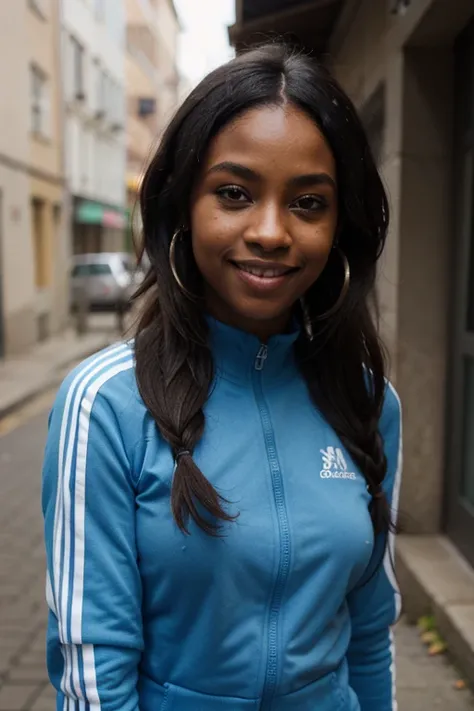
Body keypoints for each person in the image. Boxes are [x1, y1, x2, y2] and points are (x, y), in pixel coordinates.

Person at [42, 43, 402, 711]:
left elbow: (369, 632)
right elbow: (93, 661)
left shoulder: (369, 402)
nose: (271, 231)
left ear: (339, 224)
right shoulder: (107, 404)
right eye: (234, 193)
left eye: (308, 202)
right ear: (183, 204)